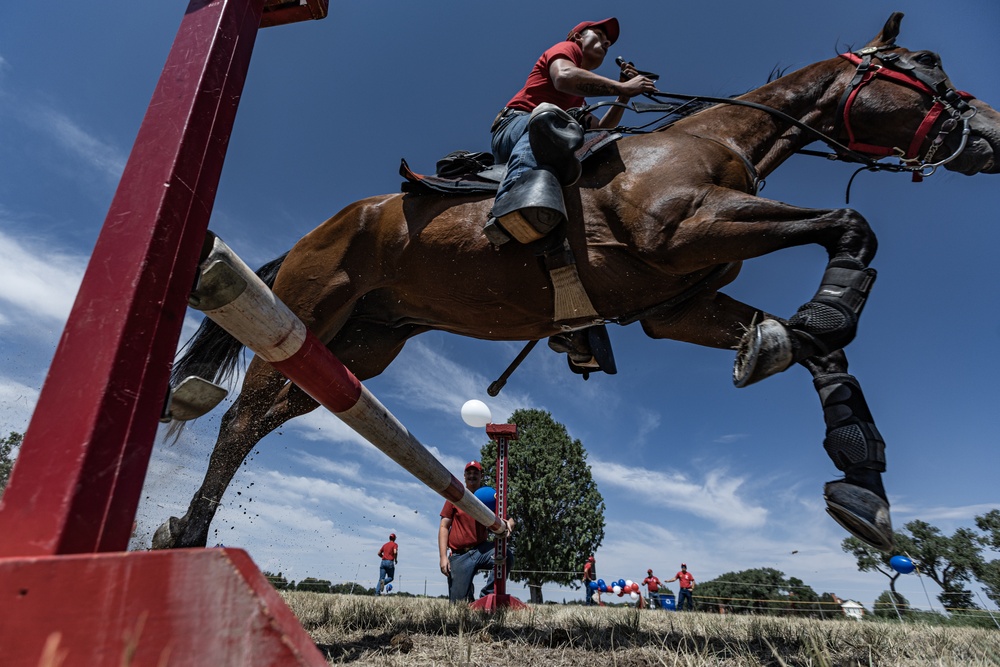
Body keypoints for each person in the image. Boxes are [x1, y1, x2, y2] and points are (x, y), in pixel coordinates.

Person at [484, 17, 657, 246]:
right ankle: (510, 203)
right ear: (578, 37)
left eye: (608, 43)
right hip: (514, 126)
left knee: (594, 141)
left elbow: (602, 130)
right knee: (550, 116)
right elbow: (564, 78)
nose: (606, 43)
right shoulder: (566, 48)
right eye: (600, 36)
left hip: (549, 128)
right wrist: (622, 86)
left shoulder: (580, 103)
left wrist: (623, 96)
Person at [438, 460, 516, 603]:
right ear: (464, 475)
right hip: (459, 554)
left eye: (476, 473)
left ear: (482, 475)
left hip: (481, 551)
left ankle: (487, 596)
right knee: (458, 606)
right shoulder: (456, 495)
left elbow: (509, 519)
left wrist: (508, 525)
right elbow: (444, 526)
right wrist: (443, 556)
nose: (472, 475)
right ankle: (467, 592)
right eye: (469, 472)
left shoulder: (487, 497)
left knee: (505, 554)